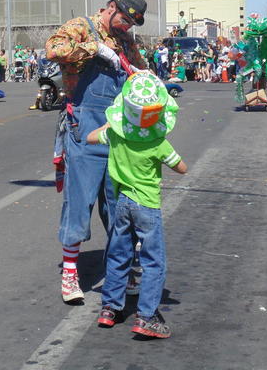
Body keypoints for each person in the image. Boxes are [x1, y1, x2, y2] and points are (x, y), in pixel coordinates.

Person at [46, 0, 148, 303]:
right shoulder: (81, 26)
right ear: (112, 7)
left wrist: (151, 82)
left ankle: (120, 269)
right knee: (80, 201)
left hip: (118, 128)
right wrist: (94, 49)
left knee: (117, 203)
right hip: (84, 125)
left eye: (131, 24)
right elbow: (53, 49)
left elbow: (140, 70)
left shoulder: (127, 41)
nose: (127, 28)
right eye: (124, 20)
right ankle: (71, 273)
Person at [87, 72, 186, 338]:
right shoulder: (158, 142)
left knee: (119, 254)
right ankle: (146, 315)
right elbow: (182, 168)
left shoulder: (117, 136)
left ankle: (110, 308)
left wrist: (112, 127)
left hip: (122, 202)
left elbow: (91, 138)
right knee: (154, 261)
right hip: (147, 206)